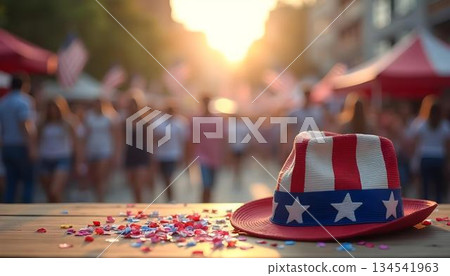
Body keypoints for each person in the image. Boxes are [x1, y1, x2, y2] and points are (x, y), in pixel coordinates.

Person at [0, 74, 36, 203]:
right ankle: (26, 209)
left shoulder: (3, 102)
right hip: (21, 146)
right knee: (28, 181)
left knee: (11, 182)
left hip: (7, 147)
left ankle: (9, 210)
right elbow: (24, 124)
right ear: (24, 85)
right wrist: (31, 146)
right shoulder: (24, 101)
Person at [38, 97, 79, 202]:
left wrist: (78, 161)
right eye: (50, 108)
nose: (52, 111)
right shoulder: (43, 123)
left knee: (55, 190)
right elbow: (37, 140)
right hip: (45, 157)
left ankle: (59, 211)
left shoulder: (67, 123)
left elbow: (76, 142)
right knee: (48, 193)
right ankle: (52, 215)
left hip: (62, 157)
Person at [414, 100, 450, 203]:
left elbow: (417, 145)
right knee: (438, 187)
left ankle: (425, 206)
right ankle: (438, 205)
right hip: (439, 158)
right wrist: (447, 163)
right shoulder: (445, 126)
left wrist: (415, 162)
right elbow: (447, 147)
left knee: (425, 187)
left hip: (425, 157)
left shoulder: (422, 124)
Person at [85, 98, 120, 202]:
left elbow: (115, 136)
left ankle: (100, 198)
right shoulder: (89, 117)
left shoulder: (109, 118)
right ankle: (98, 195)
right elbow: (85, 134)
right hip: (91, 150)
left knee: (101, 175)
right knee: (94, 176)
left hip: (105, 150)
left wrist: (115, 153)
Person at [154, 100, 189, 202]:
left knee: (168, 177)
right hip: (160, 155)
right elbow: (153, 138)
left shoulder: (180, 123)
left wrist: (183, 156)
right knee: (164, 179)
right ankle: (168, 197)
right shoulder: (158, 122)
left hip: (173, 155)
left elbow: (183, 141)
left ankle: (170, 199)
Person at [195, 95, 224, 203]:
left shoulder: (218, 119)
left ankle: (207, 205)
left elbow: (223, 139)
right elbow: (191, 140)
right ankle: (203, 206)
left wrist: (225, 155)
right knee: (205, 185)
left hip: (215, 157)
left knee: (211, 185)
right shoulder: (195, 119)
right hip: (202, 157)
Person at [123, 90, 151, 203]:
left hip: (141, 154)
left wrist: (152, 159)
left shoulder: (145, 121)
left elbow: (149, 141)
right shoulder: (125, 122)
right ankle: (137, 205)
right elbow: (121, 140)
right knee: (132, 186)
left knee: (139, 186)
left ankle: (140, 206)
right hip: (129, 153)